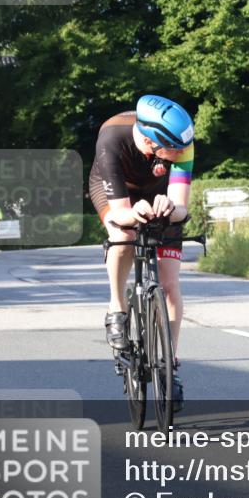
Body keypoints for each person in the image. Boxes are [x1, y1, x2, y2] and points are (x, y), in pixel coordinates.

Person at [89, 94, 194, 410]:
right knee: (123, 234)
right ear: (151, 142)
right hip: (116, 191)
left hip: (159, 197)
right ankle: (117, 308)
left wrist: (171, 207)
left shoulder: (182, 144)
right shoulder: (112, 138)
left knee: (171, 284)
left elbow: (182, 207)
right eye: (172, 150)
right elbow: (121, 213)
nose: (180, 154)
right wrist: (135, 213)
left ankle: (170, 365)